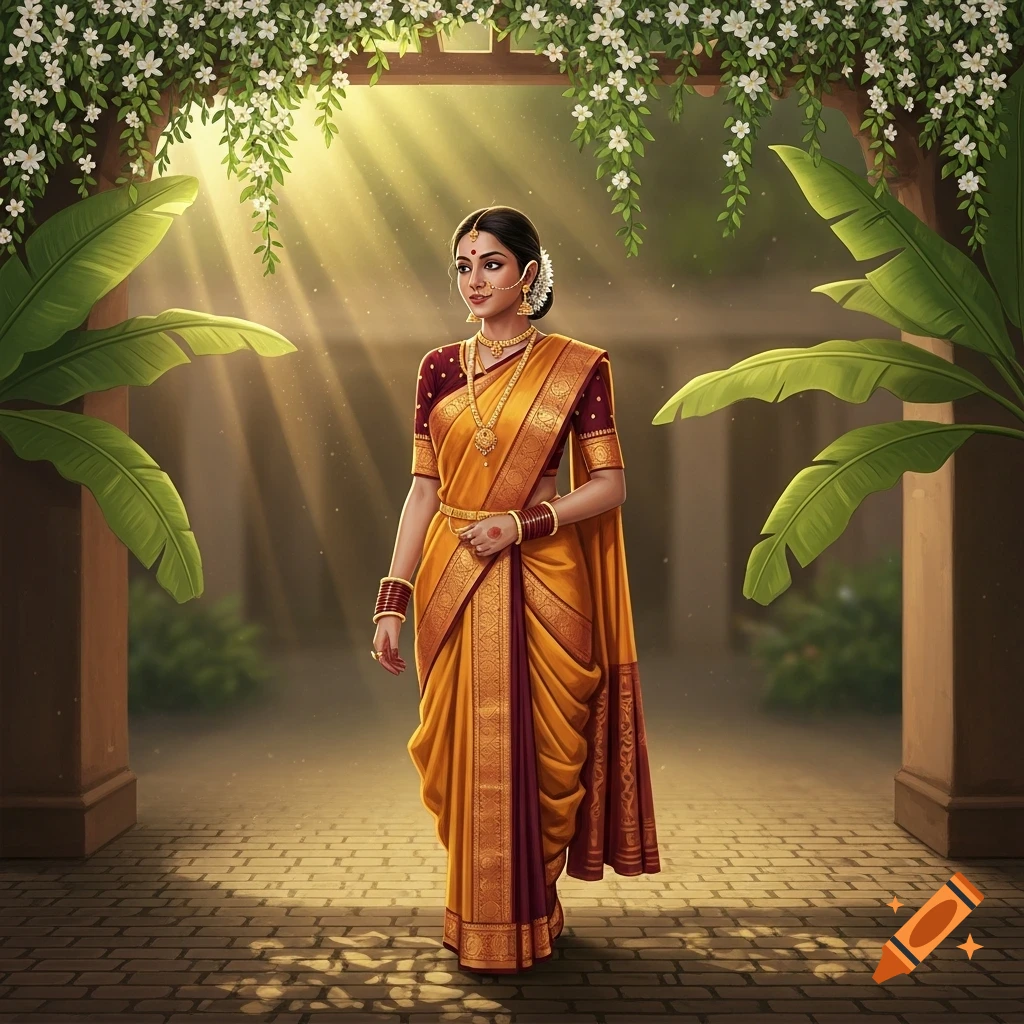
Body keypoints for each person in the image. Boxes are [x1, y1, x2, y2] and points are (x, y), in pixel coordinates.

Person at [371, 206, 660, 974]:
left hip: (541, 576)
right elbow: (423, 494)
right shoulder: (437, 367)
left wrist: (522, 524)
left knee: (542, 758)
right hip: (453, 578)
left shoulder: (579, 366)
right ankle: (480, 918)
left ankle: (533, 912)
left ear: (529, 274)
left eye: (492, 264)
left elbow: (611, 485)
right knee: (462, 757)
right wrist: (392, 599)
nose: (475, 280)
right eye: (463, 265)